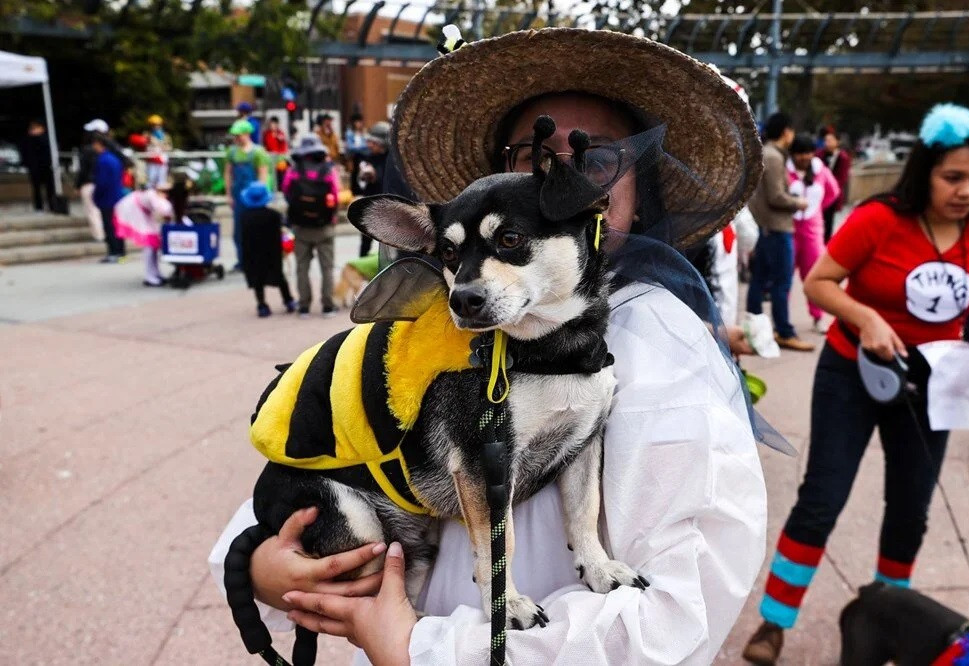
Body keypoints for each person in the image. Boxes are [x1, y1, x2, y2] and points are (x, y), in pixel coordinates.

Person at [210, 27, 774, 665]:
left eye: (593, 159)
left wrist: (425, 648)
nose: (558, 179)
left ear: (640, 190)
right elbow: (321, 447)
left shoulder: (658, 348)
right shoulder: (435, 323)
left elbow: (680, 610)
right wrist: (258, 564)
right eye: (532, 153)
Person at [743, 102, 969, 665]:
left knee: (911, 509)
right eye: (952, 177)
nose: (966, 190)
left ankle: (889, 617)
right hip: (853, 371)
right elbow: (818, 283)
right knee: (821, 499)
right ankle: (773, 623)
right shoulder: (880, 218)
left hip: (939, 378)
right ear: (926, 171)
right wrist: (865, 318)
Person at [746, 112, 813, 352]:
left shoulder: (768, 153)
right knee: (781, 283)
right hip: (777, 228)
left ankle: (754, 330)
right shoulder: (774, 157)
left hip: (767, 229)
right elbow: (776, 196)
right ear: (786, 131)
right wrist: (798, 203)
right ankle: (784, 331)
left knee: (760, 281)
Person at [787, 134, 842, 333]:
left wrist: (817, 209)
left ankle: (818, 317)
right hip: (790, 229)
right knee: (784, 275)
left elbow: (833, 192)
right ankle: (782, 320)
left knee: (814, 275)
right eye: (800, 153)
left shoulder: (821, 171)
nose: (804, 157)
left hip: (812, 231)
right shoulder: (785, 170)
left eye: (808, 152)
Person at [282, 133, 339, 318]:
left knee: (302, 268)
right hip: (324, 227)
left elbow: (286, 192)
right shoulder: (328, 170)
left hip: (301, 227)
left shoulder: (294, 170)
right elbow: (336, 196)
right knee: (327, 269)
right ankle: (328, 306)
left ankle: (304, 306)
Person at [238, 181, 297, 317]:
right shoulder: (273, 215)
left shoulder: (244, 216)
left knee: (258, 280)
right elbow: (280, 232)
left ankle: (262, 305)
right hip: (272, 253)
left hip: (253, 254)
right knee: (280, 277)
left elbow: (243, 238)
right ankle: (288, 301)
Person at [224, 119, 270, 271]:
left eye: (239, 135)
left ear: (247, 134)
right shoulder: (232, 152)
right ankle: (242, 261)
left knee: (255, 229)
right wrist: (229, 194)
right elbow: (228, 174)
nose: (236, 138)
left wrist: (261, 195)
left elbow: (263, 175)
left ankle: (256, 260)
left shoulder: (258, 152)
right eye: (235, 136)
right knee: (238, 231)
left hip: (254, 196)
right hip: (238, 196)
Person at [112, 180, 175, 286]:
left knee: (153, 244)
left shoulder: (155, 196)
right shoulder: (152, 195)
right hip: (135, 212)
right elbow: (164, 209)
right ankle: (150, 276)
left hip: (144, 214)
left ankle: (155, 273)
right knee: (149, 244)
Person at [355, 121, 390, 257]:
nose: (369, 145)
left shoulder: (392, 160)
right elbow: (358, 185)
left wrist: (376, 176)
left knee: (389, 244)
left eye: (373, 143)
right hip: (369, 205)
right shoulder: (367, 157)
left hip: (387, 206)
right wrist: (363, 176)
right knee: (365, 239)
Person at [92, 135, 126, 263]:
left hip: (107, 198)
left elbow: (101, 182)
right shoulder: (114, 159)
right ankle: (121, 251)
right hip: (117, 195)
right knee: (116, 225)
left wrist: (96, 196)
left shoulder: (103, 160)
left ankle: (114, 252)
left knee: (109, 226)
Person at [816, 129, 852, 242]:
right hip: (819, 193)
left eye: (831, 140)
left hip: (832, 195)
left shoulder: (843, 157)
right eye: (826, 140)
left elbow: (842, 178)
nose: (827, 143)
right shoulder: (819, 154)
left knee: (828, 222)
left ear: (837, 142)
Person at [18, 120, 54, 213]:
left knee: (48, 187)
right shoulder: (29, 140)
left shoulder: (44, 138)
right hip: (36, 167)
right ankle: (40, 207)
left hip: (45, 166)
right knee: (37, 188)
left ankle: (50, 205)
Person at [143, 114, 173, 188]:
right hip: (152, 161)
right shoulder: (147, 135)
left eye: (158, 124)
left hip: (162, 160)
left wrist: (163, 147)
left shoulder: (166, 136)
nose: (156, 126)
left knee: (161, 181)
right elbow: (144, 146)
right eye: (154, 125)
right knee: (151, 180)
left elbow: (170, 147)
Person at [261, 116, 289, 187]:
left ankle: (281, 186)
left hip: (280, 158)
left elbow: (284, 148)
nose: (273, 126)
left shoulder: (281, 133)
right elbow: (265, 146)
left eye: (274, 124)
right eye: (271, 124)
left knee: (281, 171)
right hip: (269, 158)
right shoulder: (266, 134)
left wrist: (280, 139)